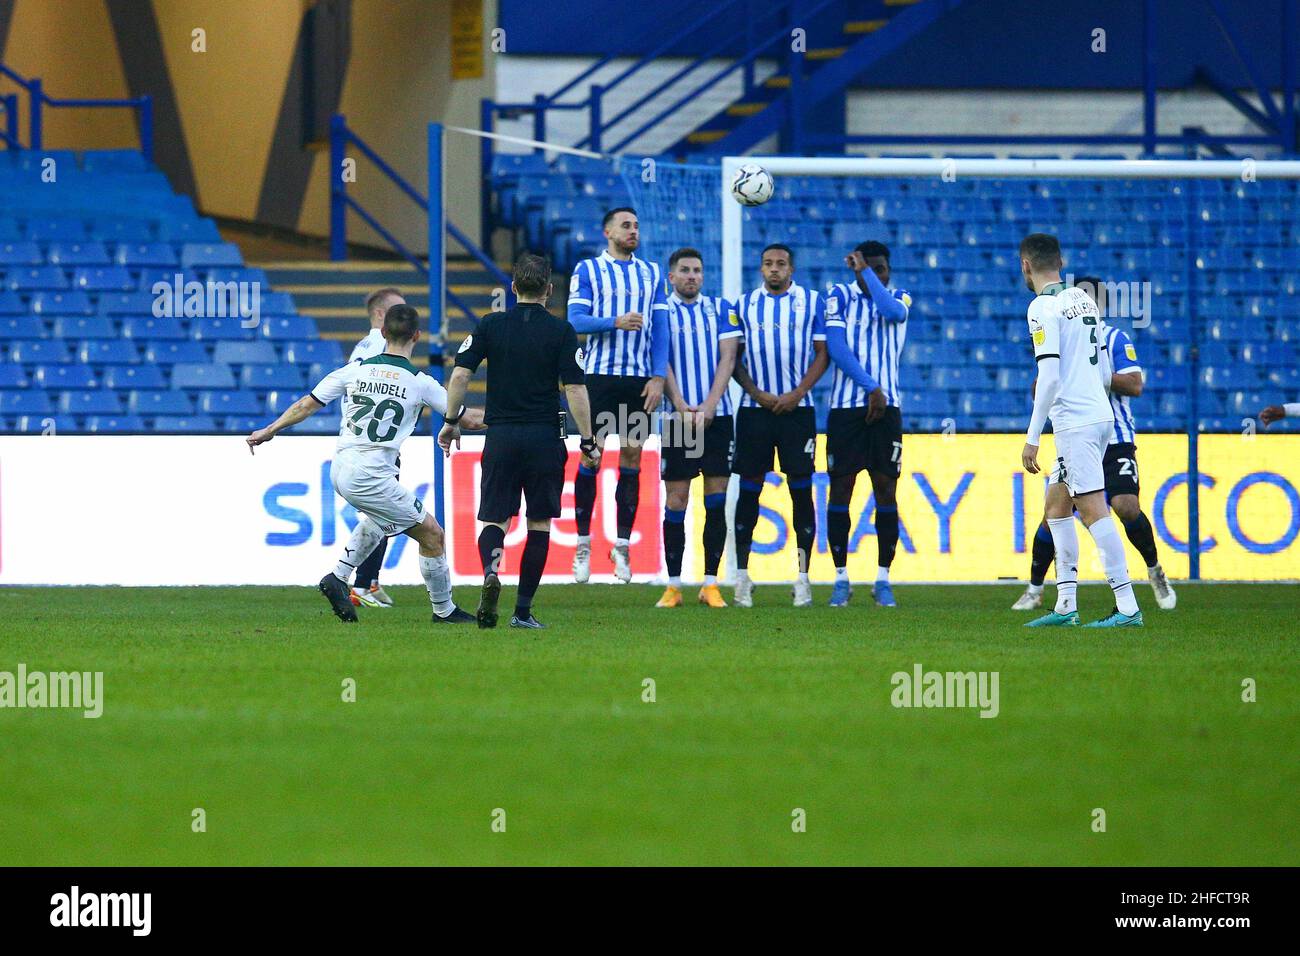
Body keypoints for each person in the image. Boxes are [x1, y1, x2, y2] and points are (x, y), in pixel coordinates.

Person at [246, 304, 480, 624]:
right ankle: (444, 610)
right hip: (372, 474)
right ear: (417, 336)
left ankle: (338, 577)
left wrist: (269, 430)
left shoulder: (355, 369)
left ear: (383, 333)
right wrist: (518, 419)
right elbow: (467, 419)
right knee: (433, 535)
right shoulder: (420, 382)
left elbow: (306, 404)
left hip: (341, 468)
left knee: (378, 520)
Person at [440, 253, 599, 629]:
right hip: (545, 437)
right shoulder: (562, 331)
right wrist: (589, 440)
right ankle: (522, 612)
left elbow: (461, 376)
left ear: (513, 288)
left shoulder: (491, 325)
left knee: (496, 516)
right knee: (539, 522)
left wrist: (450, 422)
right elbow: (575, 388)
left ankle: (491, 572)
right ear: (549, 289)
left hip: (502, 436)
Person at [1013, 277, 1175, 611]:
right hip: (1076, 433)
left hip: (1113, 437)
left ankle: (1151, 574)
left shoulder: (1115, 337)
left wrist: (1091, 376)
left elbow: (1135, 384)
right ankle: (1038, 590)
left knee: (1123, 506)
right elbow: (1044, 382)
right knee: (1054, 512)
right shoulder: (1062, 335)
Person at [1018, 235, 1142, 628]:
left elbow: (1049, 376)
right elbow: (1103, 371)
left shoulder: (1041, 306)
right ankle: (1065, 605)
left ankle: (1127, 606)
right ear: (1061, 261)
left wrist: (1033, 436)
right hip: (1099, 416)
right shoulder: (1082, 300)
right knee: (1056, 507)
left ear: (1025, 266)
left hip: (1075, 423)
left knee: (1092, 511)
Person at [566, 207, 668, 583]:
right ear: (607, 231)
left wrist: (658, 376)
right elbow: (575, 320)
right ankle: (582, 544)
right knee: (592, 456)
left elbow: (661, 329)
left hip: (637, 380)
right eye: (626, 225)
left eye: (637, 226)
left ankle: (622, 548)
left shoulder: (652, 272)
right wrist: (614, 322)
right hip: (597, 378)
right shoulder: (588, 270)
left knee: (631, 456)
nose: (633, 231)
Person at [730, 243, 829, 608]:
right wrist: (756, 392)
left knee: (801, 492)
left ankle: (802, 578)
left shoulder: (813, 301)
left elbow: (823, 353)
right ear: (760, 269)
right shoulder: (742, 306)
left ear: (792, 268)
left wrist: (797, 392)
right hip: (754, 411)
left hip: (798, 411)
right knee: (749, 493)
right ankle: (742, 577)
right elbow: (733, 358)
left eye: (781, 264)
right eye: (768, 264)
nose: (775, 269)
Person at [823, 240, 913, 608]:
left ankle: (883, 578)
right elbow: (835, 347)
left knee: (886, 491)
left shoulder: (901, 296)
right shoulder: (838, 296)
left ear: (887, 271)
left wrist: (865, 272)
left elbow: (892, 313)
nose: (877, 275)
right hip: (847, 409)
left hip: (887, 410)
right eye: (869, 268)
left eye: (881, 269)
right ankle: (841, 577)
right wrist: (870, 386)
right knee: (841, 490)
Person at [655, 247, 740, 609]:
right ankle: (673, 585)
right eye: (685, 270)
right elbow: (661, 359)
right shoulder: (662, 312)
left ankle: (710, 583)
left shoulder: (721, 309)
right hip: (677, 419)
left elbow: (729, 358)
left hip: (717, 418)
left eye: (697, 271)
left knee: (716, 501)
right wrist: (679, 404)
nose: (692, 276)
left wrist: (708, 405)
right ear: (671, 277)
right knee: (676, 500)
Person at [345, 286, 405, 609]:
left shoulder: (364, 347)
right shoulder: (380, 348)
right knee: (382, 513)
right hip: (374, 445)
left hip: (373, 443)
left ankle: (369, 580)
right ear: (381, 315)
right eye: (399, 311)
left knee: (382, 512)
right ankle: (358, 584)